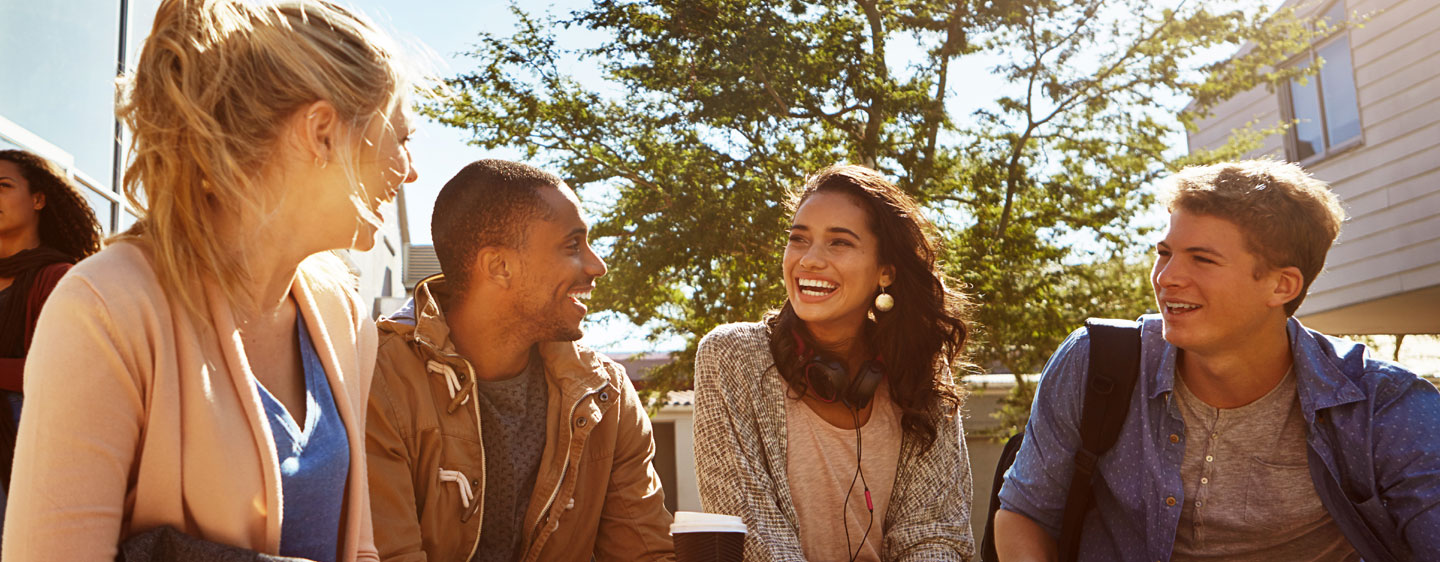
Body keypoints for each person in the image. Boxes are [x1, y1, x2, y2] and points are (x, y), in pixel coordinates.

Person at [2, 0, 418, 560]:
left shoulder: (342, 312)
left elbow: (359, 545)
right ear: (321, 132)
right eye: (399, 136)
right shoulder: (105, 306)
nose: (410, 167)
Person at [993, 160, 1440, 561]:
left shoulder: (1384, 405)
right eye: (1164, 254)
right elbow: (1023, 513)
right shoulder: (1097, 361)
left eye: (1202, 259)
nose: (1167, 279)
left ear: (1282, 286)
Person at [365, 159, 674, 562]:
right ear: (500, 267)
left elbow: (646, 556)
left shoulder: (606, 398)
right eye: (572, 245)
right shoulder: (378, 379)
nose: (597, 266)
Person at [693, 164, 976, 561]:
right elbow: (754, 534)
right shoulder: (730, 356)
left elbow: (935, 536)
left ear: (885, 272)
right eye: (798, 239)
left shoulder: (921, 370)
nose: (809, 260)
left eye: (839, 243)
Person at [0, 149, 104, 523]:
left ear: (38, 199)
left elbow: (61, 374)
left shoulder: (62, 278)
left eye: (3, 186)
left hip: (26, 451)